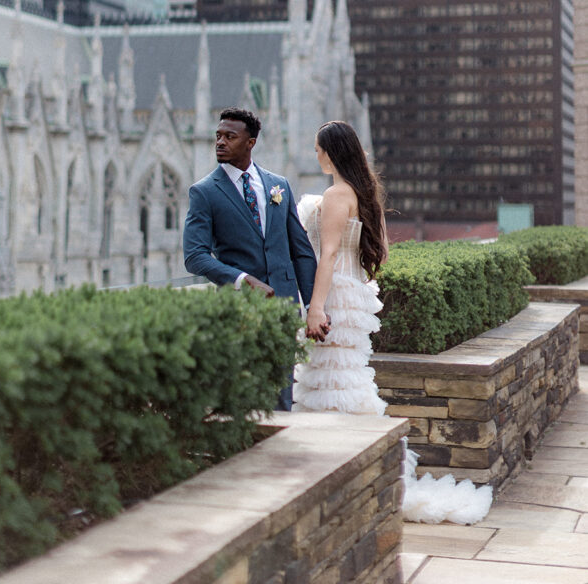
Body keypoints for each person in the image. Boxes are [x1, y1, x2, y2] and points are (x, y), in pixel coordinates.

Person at [293, 120, 492, 525]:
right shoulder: (366, 196)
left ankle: (334, 473)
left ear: (332, 151)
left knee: (329, 378)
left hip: (330, 295)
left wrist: (316, 306)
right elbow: (380, 253)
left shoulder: (335, 195)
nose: (316, 156)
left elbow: (327, 254)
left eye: (318, 149)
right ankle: (359, 469)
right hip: (352, 295)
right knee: (344, 376)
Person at [183, 107, 319, 409]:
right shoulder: (204, 192)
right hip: (239, 311)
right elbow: (194, 257)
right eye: (218, 136)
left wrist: (312, 305)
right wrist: (242, 280)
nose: (220, 142)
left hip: (284, 308)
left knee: (283, 398)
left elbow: (301, 251)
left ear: (250, 142)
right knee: (242, 399)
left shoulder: (278, 185)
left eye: (230, 137)